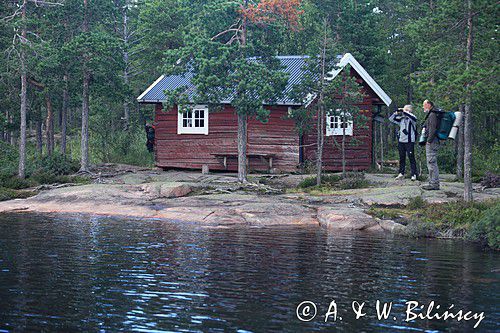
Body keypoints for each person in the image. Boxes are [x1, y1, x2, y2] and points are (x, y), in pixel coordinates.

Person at [389, 104, 418, 181]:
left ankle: (413, 174)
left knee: (411, 157)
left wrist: (405, 112)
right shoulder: (401, 119)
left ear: (409, 110)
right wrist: (396, 112)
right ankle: (401, 173)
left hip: (409, 141)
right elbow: (391, 119)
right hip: (401, 141)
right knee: (402, 157)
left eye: (406, 109)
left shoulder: (412, 119)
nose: (403, 111)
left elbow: (414, 118)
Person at [421, 100, 441, 190]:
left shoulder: (432, 115)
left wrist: (429, 140)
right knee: (431, 162)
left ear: (429, 105)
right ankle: (432, 182)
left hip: (432, 142)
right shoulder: (432, 114)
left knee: (431, 162)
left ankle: (434, 184)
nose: (423, 107)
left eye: (424, 105)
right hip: (432, 141)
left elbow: (433, 128)